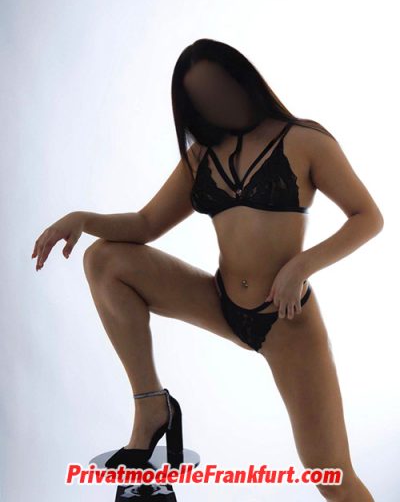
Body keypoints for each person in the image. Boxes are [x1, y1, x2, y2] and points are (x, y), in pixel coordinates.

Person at [32, 38, 382, 499]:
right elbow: (145, 224)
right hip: (221, 304)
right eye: (201, 98)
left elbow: (367, 217)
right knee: (104, 258)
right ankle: (151, 405)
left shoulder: (305, 140)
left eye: (219, 87)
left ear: (243, 77)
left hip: (286, 320)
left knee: (331, 474)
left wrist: (302, 265)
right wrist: (82, 218)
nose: (215, 102)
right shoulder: (201, 157)